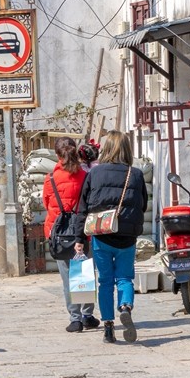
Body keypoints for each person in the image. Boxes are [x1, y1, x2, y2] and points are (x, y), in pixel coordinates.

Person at [69, 130, 147, 345]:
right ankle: (125, 306)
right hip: (128, 236)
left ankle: (109, 328)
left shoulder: (95, 173)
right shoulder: (136, 174)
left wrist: (79, 238)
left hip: (101, 235)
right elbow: (143, 204)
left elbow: (83, 207)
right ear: (127, 149)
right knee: (125, 278)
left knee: (105, 282)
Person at [43, 137, 96, 334]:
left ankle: (75, 319)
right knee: (83, 274)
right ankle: (87, 315)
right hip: (81, 232)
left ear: (57, 155)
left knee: (67, 278)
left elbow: (47, 204)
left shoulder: (50, 179)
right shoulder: (86, 176)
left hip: (59, 235)